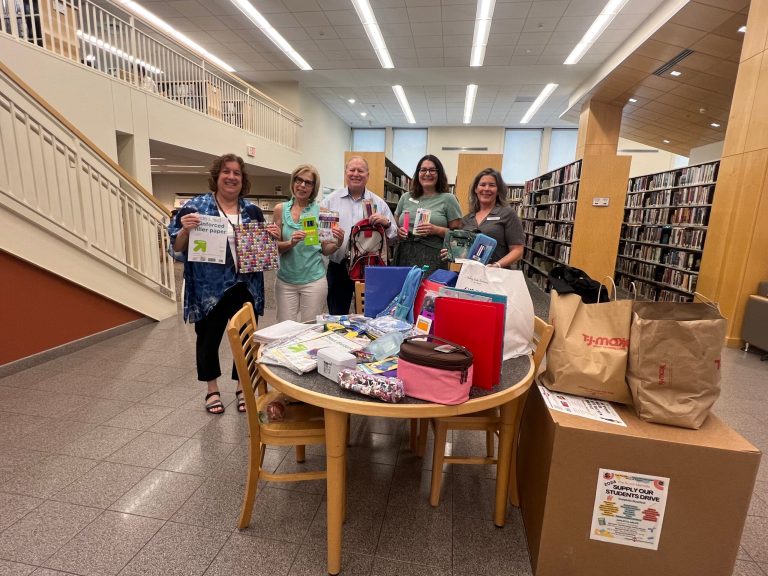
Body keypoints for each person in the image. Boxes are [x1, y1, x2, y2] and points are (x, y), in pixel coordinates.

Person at [167, 153, 273, 415]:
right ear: (217, 176)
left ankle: (241, 387)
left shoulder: (252, 211)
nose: (231, 177)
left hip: (245, 284)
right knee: (208, 337)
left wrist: (269, 237)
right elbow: (177, 248)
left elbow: (261, 250)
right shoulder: (196, 207)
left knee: (246, 338)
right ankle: (212, 389)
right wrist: (184, 230)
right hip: (208, 287)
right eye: (227, 171)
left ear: (242, 179)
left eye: (237, 173)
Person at [321, 155, 398, 315]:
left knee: (370, 314)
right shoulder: (329, 202)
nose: (356, 174)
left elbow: (394, 237)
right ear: (345, 173)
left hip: (370, 268)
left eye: (360, 171)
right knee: (337, 316)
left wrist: (387, 223)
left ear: (368, 175)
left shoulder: (379, 203)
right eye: (352, 170)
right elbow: (321, 237)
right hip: (338, 267)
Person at [272, 164, 345, 322]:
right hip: (285, 280)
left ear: (314, 187)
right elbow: (273, 248)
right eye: (299, 180)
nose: (302, 185)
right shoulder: (280, 209)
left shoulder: (322, 212)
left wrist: (338, 242)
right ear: (293, 182)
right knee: (284, 329)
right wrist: (290, 243)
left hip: (314, 280)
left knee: (310, 328)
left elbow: (325, 250)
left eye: (308, 182)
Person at [394, 155, 462, 274]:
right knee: (403, 291)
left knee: (429, 291)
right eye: (423, 170)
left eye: (432, 170)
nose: (427, 173)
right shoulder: (405, 197)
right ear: (418, 173)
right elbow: (395, 226)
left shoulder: (448, 199)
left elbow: (458, 236)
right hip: (404, 253)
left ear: (439, 173)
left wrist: (436, 230)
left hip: (433, 255)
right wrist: (398, 232)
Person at [457, 167, 525, 268]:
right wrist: (452, 252)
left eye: (492, 185)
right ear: (476, 189)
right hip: (469, 274)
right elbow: (463, 249)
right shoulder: (467, 219)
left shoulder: (507, 214)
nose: (486, 189)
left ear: (498, 190)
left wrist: (497, 265)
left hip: (496, 276)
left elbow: (518, 250)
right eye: (482, 185)